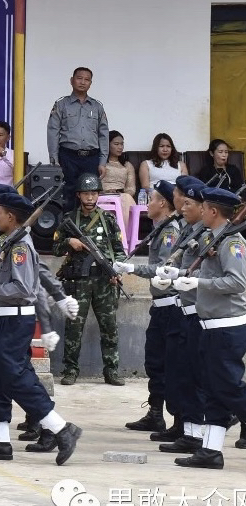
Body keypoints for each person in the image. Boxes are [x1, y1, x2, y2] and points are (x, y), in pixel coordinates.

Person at [0, 191, 83, 466]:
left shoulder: (20, 246)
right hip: (0, 317)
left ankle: (61, 429)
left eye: (0, 211)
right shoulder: (9, 240)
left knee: (15, 377)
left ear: (11, 217)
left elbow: (24, 288)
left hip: (14, 319)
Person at [170, 186, 246, 470]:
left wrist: (199, 284)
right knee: (214, 390)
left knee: (229, 390)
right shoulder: (215, 237)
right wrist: (179, 275)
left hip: (227, 327)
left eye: (204, 207)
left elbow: (238, 282)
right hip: (211, 325)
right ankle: (210, 452)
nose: (200, 210)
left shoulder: (231, 242)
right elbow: (209, 274)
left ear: (214, 212)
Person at [112, 180, 180, 434]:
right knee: (155, 362)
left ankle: (182, 420)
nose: (147, 204)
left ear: (163, 203)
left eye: (151, 199)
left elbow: (163, 269)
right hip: (159, 305)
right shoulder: (160, 228)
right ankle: (155, 413)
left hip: (171, 307)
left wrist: (132, 268)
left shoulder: (170, 231)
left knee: (170, 364)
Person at [152, 176, 212, 452]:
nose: (183, 207)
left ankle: (200, 432)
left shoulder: (210, 236)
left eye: (189, 203)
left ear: (205, 208)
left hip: (198, 313)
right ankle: (188, 430)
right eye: (183, 201)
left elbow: (221, 276)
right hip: (181, 311)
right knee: (181, 374)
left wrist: (187, 278)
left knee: (201, 377)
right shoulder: (190, 232)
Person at [53, 173, 126, 386]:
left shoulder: (108, 219)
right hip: (78, 282)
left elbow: (120, 251)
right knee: (74, 327)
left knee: (109, 327)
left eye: (94, 193)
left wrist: (116, 271)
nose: (90, 197)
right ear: (78, 195)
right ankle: (70, 370)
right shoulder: (69, 219)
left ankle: (111, 371)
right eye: (86, 193)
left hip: (104, 280)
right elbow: (55, 248)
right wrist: (69, 242)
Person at [47, 67, 109, 211]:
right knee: (68, 193)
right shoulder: (61, 104)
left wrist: (103, 161)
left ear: (90, 83)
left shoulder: (97, 106)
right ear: (72, 80)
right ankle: (68, 229)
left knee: (90, 193)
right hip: (68, 156)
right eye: (79, 78)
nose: (82, 82)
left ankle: (87, 229)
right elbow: (53, 131)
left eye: (87, 79)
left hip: (91, 157)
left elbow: (103, 134)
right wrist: (54, 158)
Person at [100, 131, 137, 225]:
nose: (120, 147)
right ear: (107, 145)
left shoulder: (127, 165)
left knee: (127, 198)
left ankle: (124, 235)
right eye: (116, 144)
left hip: (121, 197)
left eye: (122, 144)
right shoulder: (100, 164)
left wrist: (120, 194)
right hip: (103, 195)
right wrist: (105, 192)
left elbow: (131, 188)